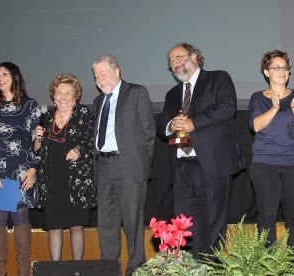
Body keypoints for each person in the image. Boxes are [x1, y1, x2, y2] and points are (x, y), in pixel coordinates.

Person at [157, 42, 242, 258]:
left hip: (212, 163)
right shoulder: (172, 93)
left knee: (213, 220)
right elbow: (162, 123)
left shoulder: (218, 78)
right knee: (185, 222)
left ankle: (213, 266)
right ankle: (192, 266)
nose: (174, 63)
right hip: (181, 166)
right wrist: (171, 126)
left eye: (178, 57)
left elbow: (227, 107)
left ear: (194, 56)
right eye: (171, 62)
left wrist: (192, 122)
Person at [92, 55, 155, 275]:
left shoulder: (136, 92)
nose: (100, 79)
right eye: (96, 76)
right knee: (106, 225)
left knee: (132, 224)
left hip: (128, 166)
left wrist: (140, 164)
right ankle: (109, 269)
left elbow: (149, 132)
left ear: (117, 71)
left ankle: (136, 270)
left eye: (104, 73)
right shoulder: (98, 101)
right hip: (103, 165)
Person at [0, 62, 41, 275]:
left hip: (22, 170)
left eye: (5, 74)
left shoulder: (30, 105)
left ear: (15, 77)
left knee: (21, 216)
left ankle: (23, 271)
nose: (0, 78)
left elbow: (37, 140)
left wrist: (33, 168)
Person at [248, 50, 294, 246]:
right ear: (266, 72)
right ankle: (268, 266)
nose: (282, 71)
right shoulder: (258, 98)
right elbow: (256, 126)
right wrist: (274, 107)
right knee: (266, 217)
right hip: (264, 164)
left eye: (285, 68)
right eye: (276, 67)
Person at [33, 73, 96, 261]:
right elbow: (37, 151)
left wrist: (78, 149)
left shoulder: (83, 113)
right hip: (51, 178)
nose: (62, 97)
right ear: (53, 95)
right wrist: (36, 139)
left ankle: (78, 268)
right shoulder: (47, 116)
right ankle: (56, 269)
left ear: (75, 96)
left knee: (76, 226)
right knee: (54, 226)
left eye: (67, 93)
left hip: (76, 179)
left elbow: (91, 139)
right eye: (58, 93)